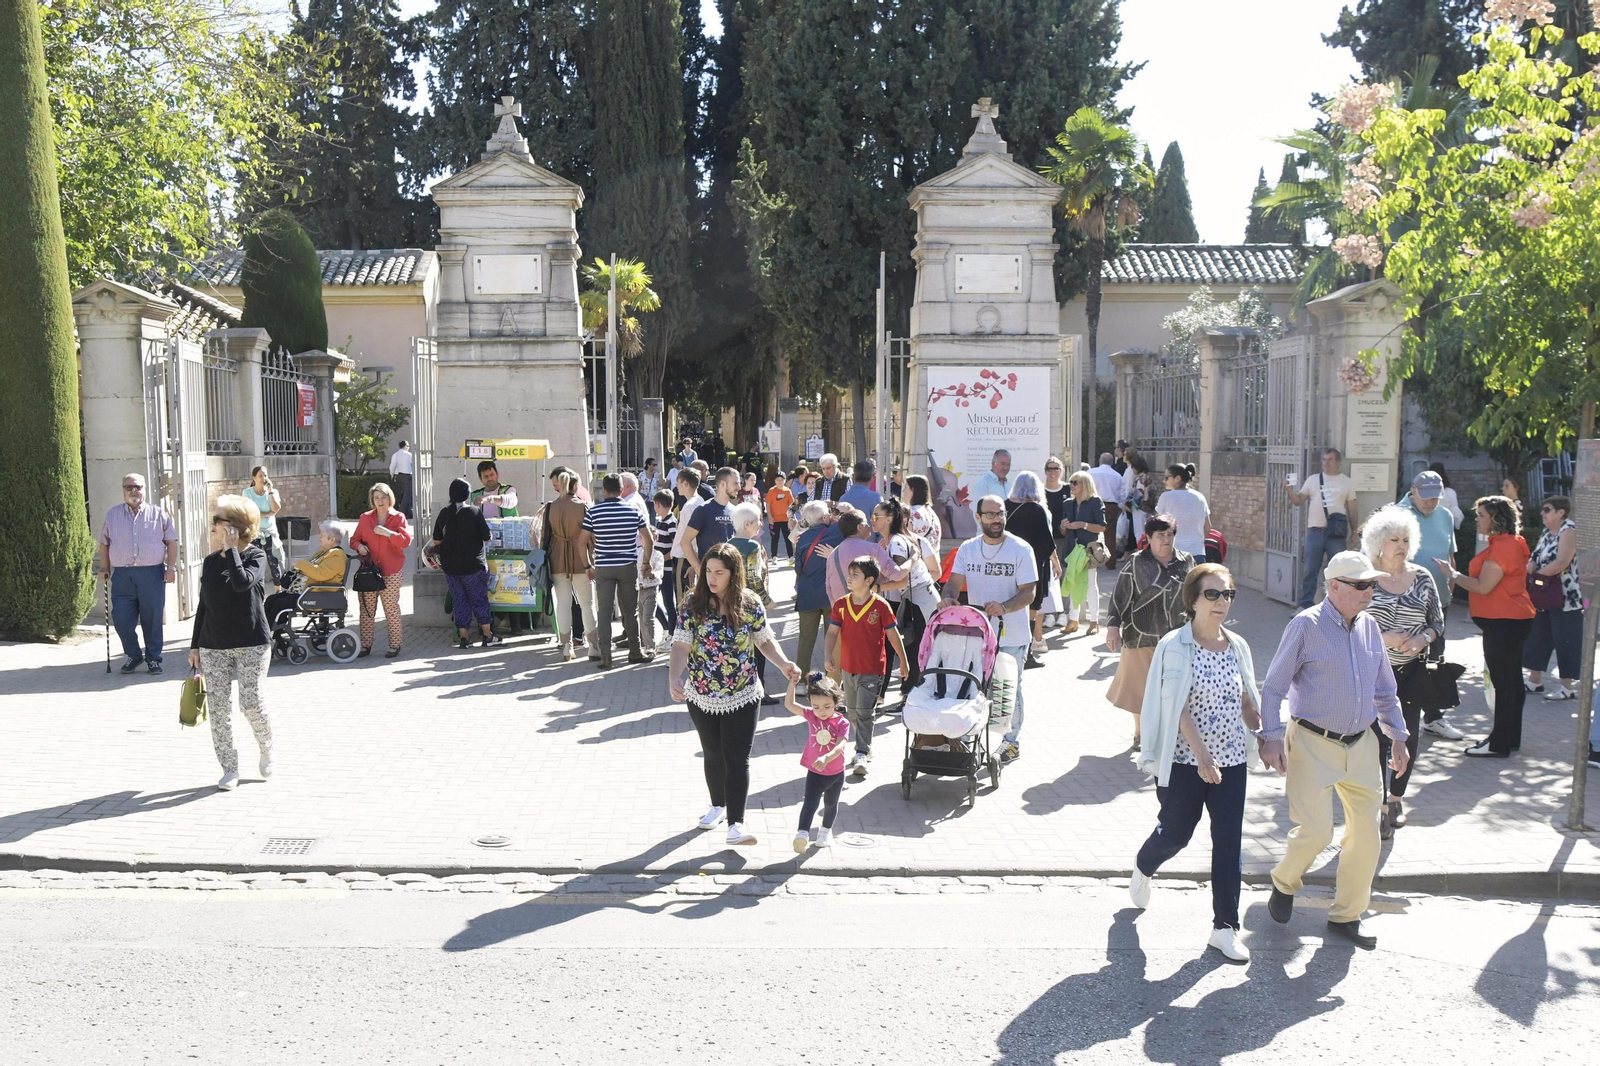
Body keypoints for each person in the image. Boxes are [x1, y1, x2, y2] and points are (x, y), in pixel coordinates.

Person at [1258, 550, 1409, 950]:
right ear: (1334, 587)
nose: (1369, 591)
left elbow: (1384, 691)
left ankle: (1346, 916)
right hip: (1311, 741)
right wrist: (1271, 737)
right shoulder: (1305, 626)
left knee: (1367, 835)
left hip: (1361, 744)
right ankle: (1284, 881)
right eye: (1361, 585)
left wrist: (1398, 737)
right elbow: (1272, 687)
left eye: (1372, 583)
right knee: (1317, 831)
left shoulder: (1370, 627)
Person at [1130, 563, 1261, 963]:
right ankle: (1143, 865)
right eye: (1212, 594)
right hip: (1187, 761)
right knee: (1176, 835)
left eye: (1227, 595)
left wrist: (1263, 727)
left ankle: (1224, 928)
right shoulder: (1175, 645)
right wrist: (1202, 757)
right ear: (1193, 599)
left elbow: (1245, 697)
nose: (1221, 602)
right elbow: (1178, 707)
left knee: (1228, 842)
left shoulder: (1237, 645)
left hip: (1232, 760)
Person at [669, 543, 801, 844]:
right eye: (708, 572)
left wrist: (783, 664)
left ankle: (736, 824)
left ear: (734, 574)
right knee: (713, 753)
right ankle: (717, 806)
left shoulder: (750, 602)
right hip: (702, 692)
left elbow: (764, 640)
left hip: (744, 691)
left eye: (720, 573)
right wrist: (674, 677)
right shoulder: (692, 603)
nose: (712, 578)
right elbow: (681, 645)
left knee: (737, 757)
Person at [937, 495, 1038, 765]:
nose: (997, 519)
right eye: (991, 514)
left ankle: (1010, 742)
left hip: (1012, 635)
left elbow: (1029, 592)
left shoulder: (1020, 549)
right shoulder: (968, 549)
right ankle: (971, 737)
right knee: (974, 687)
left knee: (1008, 689)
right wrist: (948, 598)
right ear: (978, 517)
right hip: (977, 635)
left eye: (1000, 514)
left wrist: (1004, 607)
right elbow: (953, 583)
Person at [1363, 505, 1443, 837]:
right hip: (1368, 673)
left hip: (1410, 674)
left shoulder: (1422, 577)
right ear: (1379, 542)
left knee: (1406, 737)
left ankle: (1395, 799)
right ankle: (1377, 804)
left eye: (1406, 539)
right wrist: (1385, 639)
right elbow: (1344, 625)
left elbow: (1437, 622)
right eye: (1394, 538)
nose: (1401, 545)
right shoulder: (1363, 577)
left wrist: (1424, 638)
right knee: (1374, 741)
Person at [1435, 495, 1535, 758]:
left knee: (1504, 683)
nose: (1477, 519)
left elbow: (1483, 586)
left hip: (1505, 622)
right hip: (1510, 620)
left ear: (1495, 519)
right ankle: (1508, 738)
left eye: (1481, 515)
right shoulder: (1507, 543)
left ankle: (1499, 743)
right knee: (1511, 681)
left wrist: (1453, 575)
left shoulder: (1503, 547)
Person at [188, 495, 274, 792]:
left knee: (251, 703)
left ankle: (266, 746)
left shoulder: (256, 556)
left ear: (236, 528)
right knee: (219, 709)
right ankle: (229, 768)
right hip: (214, 644)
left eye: (218, 521)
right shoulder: (210, 563)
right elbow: (204, 605)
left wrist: (232, 551)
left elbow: (241, 583)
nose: (212, 525)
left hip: (251, 642)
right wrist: (194, 645)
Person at [1105, 514, 1195, 750]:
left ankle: (1173, 732)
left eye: (1170, 534)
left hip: (1177, 637)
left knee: (1175, 687)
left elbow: (1195, 596)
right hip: (1140, 636)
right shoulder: (1136, 562)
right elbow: (1119, 596)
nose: (1166, 540)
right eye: (1160, 535)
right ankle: (1141, 732)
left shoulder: (1186, 561)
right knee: (1140, 689)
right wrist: (1113, 626)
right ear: (1149, 538)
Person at [1398, 470, 1467, 740]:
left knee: (1435, 658)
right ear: (1413, 490)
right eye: (1425, 497)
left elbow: (1449, 555)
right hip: (1405, 600)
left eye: (1435, 497)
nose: (1430, 502)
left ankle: (1434, 717)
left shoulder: (1445, 516)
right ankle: (1396, 719)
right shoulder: (1398, 514)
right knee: (1403, 658)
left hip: (1438, 599)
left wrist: (1450, 586)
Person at [825, 557, 909, 778]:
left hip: (872, 669)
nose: (849, 578)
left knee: (864, 712)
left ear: (869, 580)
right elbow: (832, 632)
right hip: (847, 668)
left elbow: (892, 635)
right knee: (852, 711)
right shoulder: (841, 605)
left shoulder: (881, 606)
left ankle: (861, 752)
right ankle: (865, 746)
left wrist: (904, 660)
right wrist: (827, 654)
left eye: (855, 575)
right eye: (849, 573)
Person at [98, 472, 179, 675]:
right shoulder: (113, 514)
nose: (134, 491)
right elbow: (104, 543)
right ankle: (133, 655)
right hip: (123, 576)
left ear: (144, 489)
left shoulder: (158, 513)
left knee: (152, 620)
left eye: (138, 487)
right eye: (129, 487)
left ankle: (153, 659)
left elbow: (172, 541)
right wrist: (105, 567)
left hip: (152, 574)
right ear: (123, 490)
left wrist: (171, 568)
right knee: (122, 619)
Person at [583, 473, 655, 670]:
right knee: (630, 612)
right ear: (622, 489)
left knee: (604, 612)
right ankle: (635, 651)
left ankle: (606, 656)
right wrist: (646, 562)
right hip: (627, 567)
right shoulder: (633, 511)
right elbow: (648, 540)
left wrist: (588, 565)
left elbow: (581, 541)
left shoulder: (594, 512)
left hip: (603, 567)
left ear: (604, 491)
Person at [872, 496, 940, 695]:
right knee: (915, 649)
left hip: (920, 599)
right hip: (917, 599)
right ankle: (911, 697)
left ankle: (911, 699)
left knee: (916, 652)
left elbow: (901, 577)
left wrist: (875, 589)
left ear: (890, 518)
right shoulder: (894, 540)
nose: (872, 519)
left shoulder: (897, 542)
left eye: (876, 516)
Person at [1523, 495, 1582, 701]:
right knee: (1539, 635)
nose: (1543, 513)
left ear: (1561, 512)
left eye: (1547, 510)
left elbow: (1562, 561)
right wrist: (1530, 566)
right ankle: (1535, 680)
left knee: (1565, 640)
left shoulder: (1569, 531)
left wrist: (1537, 577)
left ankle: (1567, 687)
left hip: (1566, 597)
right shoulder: (1547, 532)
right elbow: (1535, 555)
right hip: (1544, 593)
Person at [430, 477, 500, 650]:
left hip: (451, 567)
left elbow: (437, 540)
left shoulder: (445, 513)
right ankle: (487, 635)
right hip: (473, 566)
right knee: (479, 599)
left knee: (459, 600)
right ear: (468, 494)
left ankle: (464, 638)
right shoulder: (475, 512)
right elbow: (487, 536)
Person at [785, 673, 849, 852]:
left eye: (827, 706)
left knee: (830, 804)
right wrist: (792, 684)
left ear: (836, 702)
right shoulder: (811, 716)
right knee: (810, 803)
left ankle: (825, 831)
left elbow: (841, 745)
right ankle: (802, 834)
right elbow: (789, 705)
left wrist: (826, 757)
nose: (821, 711)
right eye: (816, 706)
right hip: (815, 772)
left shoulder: (842, 722)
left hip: (836, 773)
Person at [1287, 447, 1356, 608]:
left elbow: (1352, 509)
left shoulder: (1346, 481)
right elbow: (1298, 501)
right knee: (1310, 571)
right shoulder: (1313, 479)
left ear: (1338, 462)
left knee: (1338, 571)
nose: (1326, 463)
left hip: (1336, 535)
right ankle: (1305, 606)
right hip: (1315, 532)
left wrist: (1355, 533)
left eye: (1330, 460)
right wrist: (1289, 491)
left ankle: (1336, 606)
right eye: (1324, 459)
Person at [349, 482, 412, 658]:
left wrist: (388, 533)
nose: (380, 501)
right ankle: (365, 645)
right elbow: (353, 540)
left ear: (389, 498)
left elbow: (406, 541)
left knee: (391, 608)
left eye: (383, 497)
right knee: (367, 608)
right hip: (369, 569)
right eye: (376, 498)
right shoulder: (365, 518)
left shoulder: (398, 517)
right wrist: (359, 547)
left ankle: (395, 645)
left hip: (391, 569)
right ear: (372, 500)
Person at [1004, 471, 1058, 667]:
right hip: (1033, 565)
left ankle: (1006, 649)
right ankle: (1026, 654)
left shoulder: (1005, 505)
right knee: (1031, 608)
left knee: (1010, 603)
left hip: (1008, 565)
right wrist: (1055, 561)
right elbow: (1047, 541)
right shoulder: (1037, 509)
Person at [729, 502, 777, 704]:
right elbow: (754, 578)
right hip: (750, 604)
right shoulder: (753, 546)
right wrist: (767, 601)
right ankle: (759, 692)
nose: (761, 525)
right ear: (747, 524)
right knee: (759, 647)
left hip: (730, 602)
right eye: (758, 521)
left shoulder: (727, 544)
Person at [547, 471, 598, 662]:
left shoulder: (551, 507)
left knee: (563, 604)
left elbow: (545, 535)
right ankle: (593, 647)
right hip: (581, 558)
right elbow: (592, 535)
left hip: (557, 558)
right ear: (576, 486)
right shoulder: (583, 505)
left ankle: (566, 647)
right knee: (587, 604)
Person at [265, 520, 349, 629]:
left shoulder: (337, 556)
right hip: (305, 592)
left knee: (280, 604)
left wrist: (300, 563)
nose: (319, 537)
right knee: (271, 599)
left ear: (332, 539)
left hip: (314, 595)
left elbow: (320, 574)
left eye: (322, 534)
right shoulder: (323, 553)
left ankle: (269, 634)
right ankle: (268, 632)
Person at [1059, 470, 1108, 637]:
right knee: (1073, 582)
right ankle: (1073, 620)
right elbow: (1064, 531)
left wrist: (1083, 524)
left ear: (1085, 484)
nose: (1071, 485)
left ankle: (1094, 621)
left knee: (1090, 585)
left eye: (1075, 482)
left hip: (1089, 549)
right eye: (1071, 482)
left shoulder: (1095, 501)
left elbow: (1102, 527)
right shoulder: (1068, 503)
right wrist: (1063, 526)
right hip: (1073, 549)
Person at [683, 467, 739, 577]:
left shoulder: (735, 510)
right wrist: (698, 568)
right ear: (722, 484)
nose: (739, 487)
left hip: (731, 575)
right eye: (735, 483)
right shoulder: (703, 510)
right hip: (710, 578)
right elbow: (685, 542)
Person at [1158, 463, 1211, 562]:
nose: (1164, 481)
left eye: (1167, 477)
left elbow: (1157, 526)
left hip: (1173, 553)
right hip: (1197, 553)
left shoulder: (1166, 497)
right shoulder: (1200, 497)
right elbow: (1207, 528)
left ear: (1177, 478)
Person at [241, 465, 286, 580]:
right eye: (260, 475)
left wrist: (270, 491)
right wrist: (267, 514)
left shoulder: (273, 492)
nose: (263, 478)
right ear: (254, 478)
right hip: (255, 532)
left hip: (270, 532)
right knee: (253, 562)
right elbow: (250, 512)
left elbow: (276, 509)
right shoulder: (247, 493)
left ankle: (278, 590)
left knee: (273, 562)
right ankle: (255, 587)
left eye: (265, 475)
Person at [672, 468, 706, 606]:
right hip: (690, 556)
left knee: (683, 602)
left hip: (684, 557)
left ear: (685, 483)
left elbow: (693, 536)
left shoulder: (690, 506)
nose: (677, 487)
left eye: (678, 483)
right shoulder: (699, 500)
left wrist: (694, 563)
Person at [1088, 452, 1125, 568]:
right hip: (1111, 506)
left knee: (1092, 533)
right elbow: (1122, 495)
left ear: (1100, 461)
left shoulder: (1091, 473)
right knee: (1110, 535)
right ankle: (1111, 563)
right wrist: (1120, 506)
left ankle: (1094, 561)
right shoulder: (1117, 476)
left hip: (1092, 504)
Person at [651, 489, 679, 636]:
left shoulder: (670, 522)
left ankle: (672, 634)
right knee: (656, 601)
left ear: (657, 504)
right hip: (660, 570)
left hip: (666, 570)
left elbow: (675, 546)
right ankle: (669, 628)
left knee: (669, 602)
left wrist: (662, 559)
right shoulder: (662, 522)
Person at [1121, 450, 1152, 553]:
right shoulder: (1148, 477)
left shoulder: (1140, 479)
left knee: (1139, 533)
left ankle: (1142, 553)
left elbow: (1138, 496)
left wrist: (1128, 506)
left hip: (1140, 509)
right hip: (1148, 508)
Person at [968, 449, 1013, 515]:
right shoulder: (983, 483)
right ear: (993, 463)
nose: (1005, 468)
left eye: (1008, 464)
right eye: (1002, 464)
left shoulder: (1009, 485)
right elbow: (978, 514)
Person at [904, 473, 943, 549]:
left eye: (906, 487)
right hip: (932, 559)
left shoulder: (912, 513)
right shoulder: (931, 512)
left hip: (916, 559)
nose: (903, 491)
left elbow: (905, 542)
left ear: (913, 490)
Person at [765, 474, 795, 562]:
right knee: (774, 538)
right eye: (777, 479)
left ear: (785, 481)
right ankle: (774, 556)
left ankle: (791, 556)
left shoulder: (788, 491)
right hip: (775, 520)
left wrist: (791, 518)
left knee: (788, 538)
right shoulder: (772, 491)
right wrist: (770, 517)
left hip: (785, 519)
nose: (779, 481)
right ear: (775, 481)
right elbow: (768, 505)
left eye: (781, 479)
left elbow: (791, 505)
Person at [389, 441, 414, 518]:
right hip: (407, 476)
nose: (409, 448)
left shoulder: (395, 455)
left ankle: (409, 513)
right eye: (408, 446)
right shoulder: (408, 455)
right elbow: (414, 464)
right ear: (405, 446)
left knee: (401, 495)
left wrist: (392, 474)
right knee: (407, 495)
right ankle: (400, 513)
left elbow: (392, 466)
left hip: (399, 476)